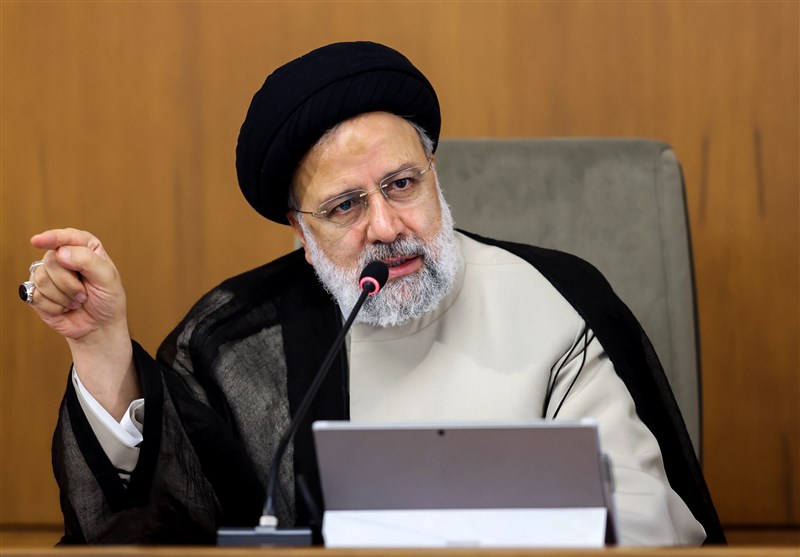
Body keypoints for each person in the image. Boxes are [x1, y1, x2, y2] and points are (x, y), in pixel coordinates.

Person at [20, 41, 724, 545]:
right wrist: (101, 345)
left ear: (434, 174)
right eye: (345, 206)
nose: (387, 227)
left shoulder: (556, 299)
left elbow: (646, 522)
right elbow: (159, 521)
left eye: (401, 185)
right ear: (302, 233)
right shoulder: (239, 341)